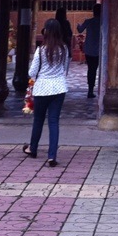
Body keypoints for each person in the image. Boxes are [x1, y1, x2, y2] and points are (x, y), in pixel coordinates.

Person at [23, 18, 70, 167]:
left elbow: (32, 72)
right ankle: (52, 156)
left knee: (38, 120)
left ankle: (33, 148)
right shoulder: (64, 48)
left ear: (46, 32)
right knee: (54, 121)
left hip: (42, 88)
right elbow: (65, 70)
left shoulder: (41, 50)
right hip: (59, 88)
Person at [77, 4, 101, 98]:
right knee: (94, 70)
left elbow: (80, 30)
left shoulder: (88, 21)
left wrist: (78, 26)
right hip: (98, 50)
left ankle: (90, 90)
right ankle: (95, 89)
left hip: (89, 49)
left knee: (90, 70)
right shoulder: (103, 22)